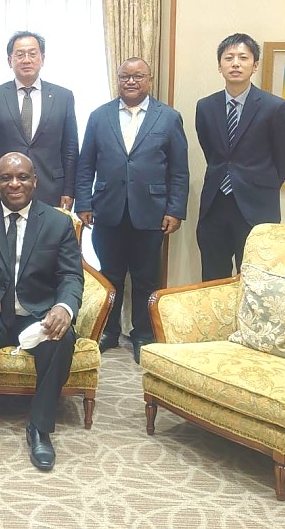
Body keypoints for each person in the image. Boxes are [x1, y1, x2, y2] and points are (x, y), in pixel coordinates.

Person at [0, 153, 83, 471]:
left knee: (62, 339)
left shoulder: (58, 222)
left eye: (22, 177)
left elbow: (70, 276)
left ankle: (39, 427)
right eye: (6, 178)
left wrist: (63, 307)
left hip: (38, 313)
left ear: (35, 181)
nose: (14, 184)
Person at [74, 58, 189, 363]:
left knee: (146, 277)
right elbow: (85, 165)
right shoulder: (99, 116)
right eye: (125, 76)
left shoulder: (168, 117)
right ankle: (108, 332)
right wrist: (83, 203)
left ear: (149, 80)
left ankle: (143, 335)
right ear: (118, 80)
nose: (131, 81)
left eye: (138, 76)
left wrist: (175, 210)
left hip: (151, 212)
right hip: (107, 210)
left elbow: (179, 170)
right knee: (108, 276)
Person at [195, 33, 285, 280]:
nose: (236, 64)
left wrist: (259, 183)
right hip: (215, 204)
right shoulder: (206, 107)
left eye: (243, 57)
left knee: (255, 280)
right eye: (229, 58)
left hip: (257, 207)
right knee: (213, 279)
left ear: (255, 65)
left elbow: (284, 157)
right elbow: (212, 153)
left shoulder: (276, 107)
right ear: (220, 66)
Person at [0, 31, 78, 209]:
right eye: (20, 55)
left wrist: (69, 190)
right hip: (7, 188)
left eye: (32, 54)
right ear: (9, 60)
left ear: (42, 58)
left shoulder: (63, 96)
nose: (26, 60)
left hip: (51, 187)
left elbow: (70, 148)